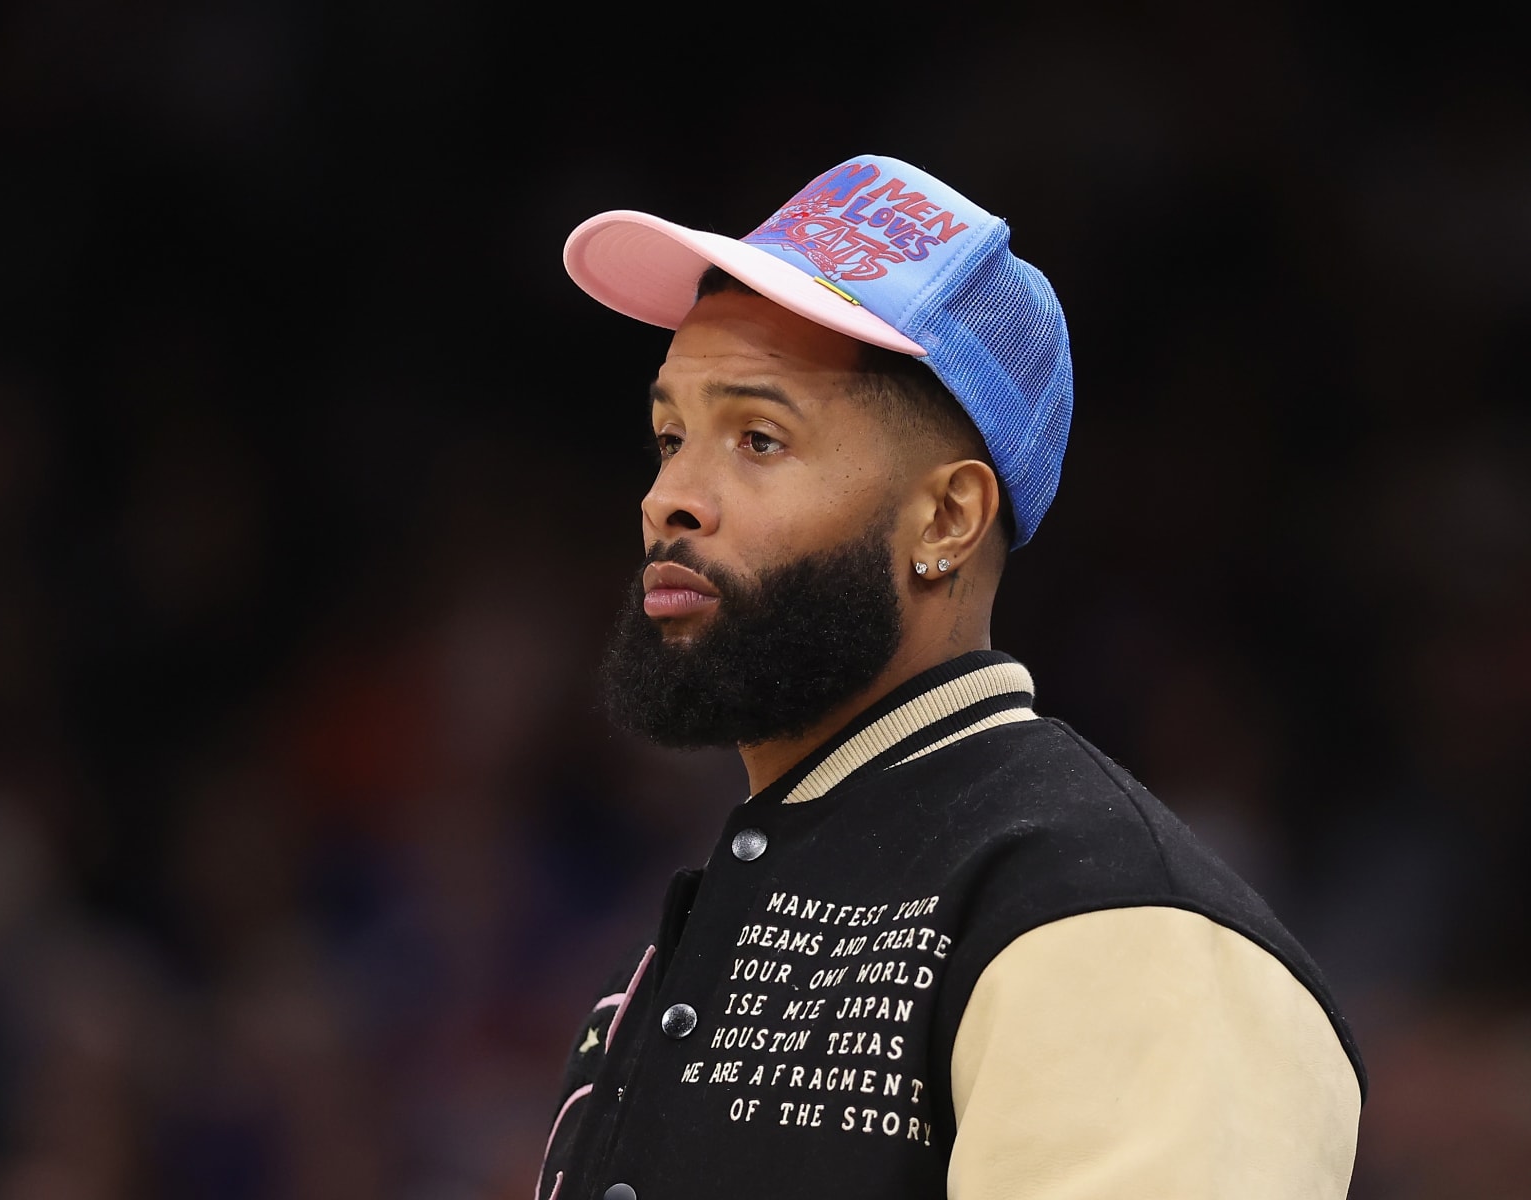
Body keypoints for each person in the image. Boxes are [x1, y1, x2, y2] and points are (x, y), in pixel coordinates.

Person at [536, 154, 1365, 1200]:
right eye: (669, 435)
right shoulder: (666, 962)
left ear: (946, 520)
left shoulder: (1119, 919)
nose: (669, 499)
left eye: (758, 438)